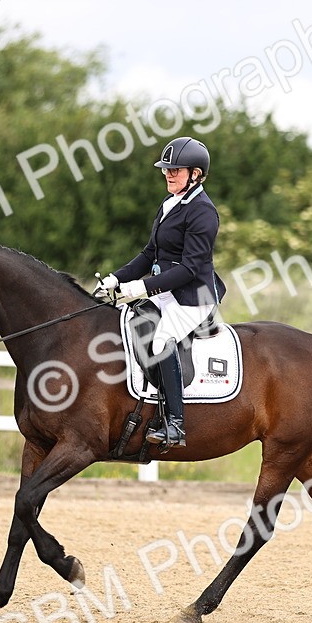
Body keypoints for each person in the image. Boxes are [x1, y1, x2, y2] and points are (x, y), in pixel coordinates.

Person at [95, 136, 228, 448]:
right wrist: (116, 279)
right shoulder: (170, 203)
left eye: (175, 170)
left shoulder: (203, 212)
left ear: (195, 174)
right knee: (127, 320)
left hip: (192, 297)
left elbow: (190, 269)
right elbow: (149, 254)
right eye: (166, 169)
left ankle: (176, 424)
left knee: (161, 340)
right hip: (166, 290)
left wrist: (140, 287)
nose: (168, 174)